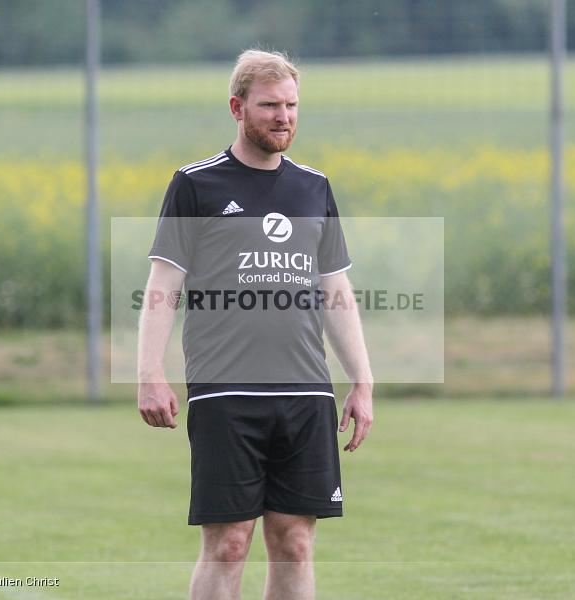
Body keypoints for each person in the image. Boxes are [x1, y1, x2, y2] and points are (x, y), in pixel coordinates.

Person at [137, 49, 373, 600]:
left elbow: (335, 290)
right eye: (269, 106)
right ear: (237, 107)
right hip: (226, 392)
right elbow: (162, 287)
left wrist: (362, 380)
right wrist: (149, 372)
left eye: (291, 105)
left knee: (294, 544)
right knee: (228, 545)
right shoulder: (196, 185)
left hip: (305, 392)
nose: (283, 117)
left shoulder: (314, 188)